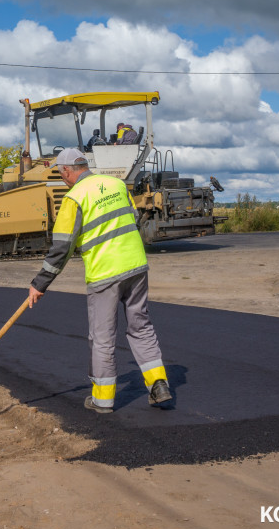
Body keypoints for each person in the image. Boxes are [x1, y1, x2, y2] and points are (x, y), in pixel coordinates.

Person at [27, 148, 171, 413]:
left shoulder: (74, 198)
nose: (63, 179)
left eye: (61, 174)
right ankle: (159, 384)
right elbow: (133, 219)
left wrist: (40, 283)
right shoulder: (117, 185)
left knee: (103, 338)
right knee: (141, 327)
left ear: (68, 171)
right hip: (136, 265)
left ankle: (103, 401)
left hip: (105, 273)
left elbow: (62, 247)